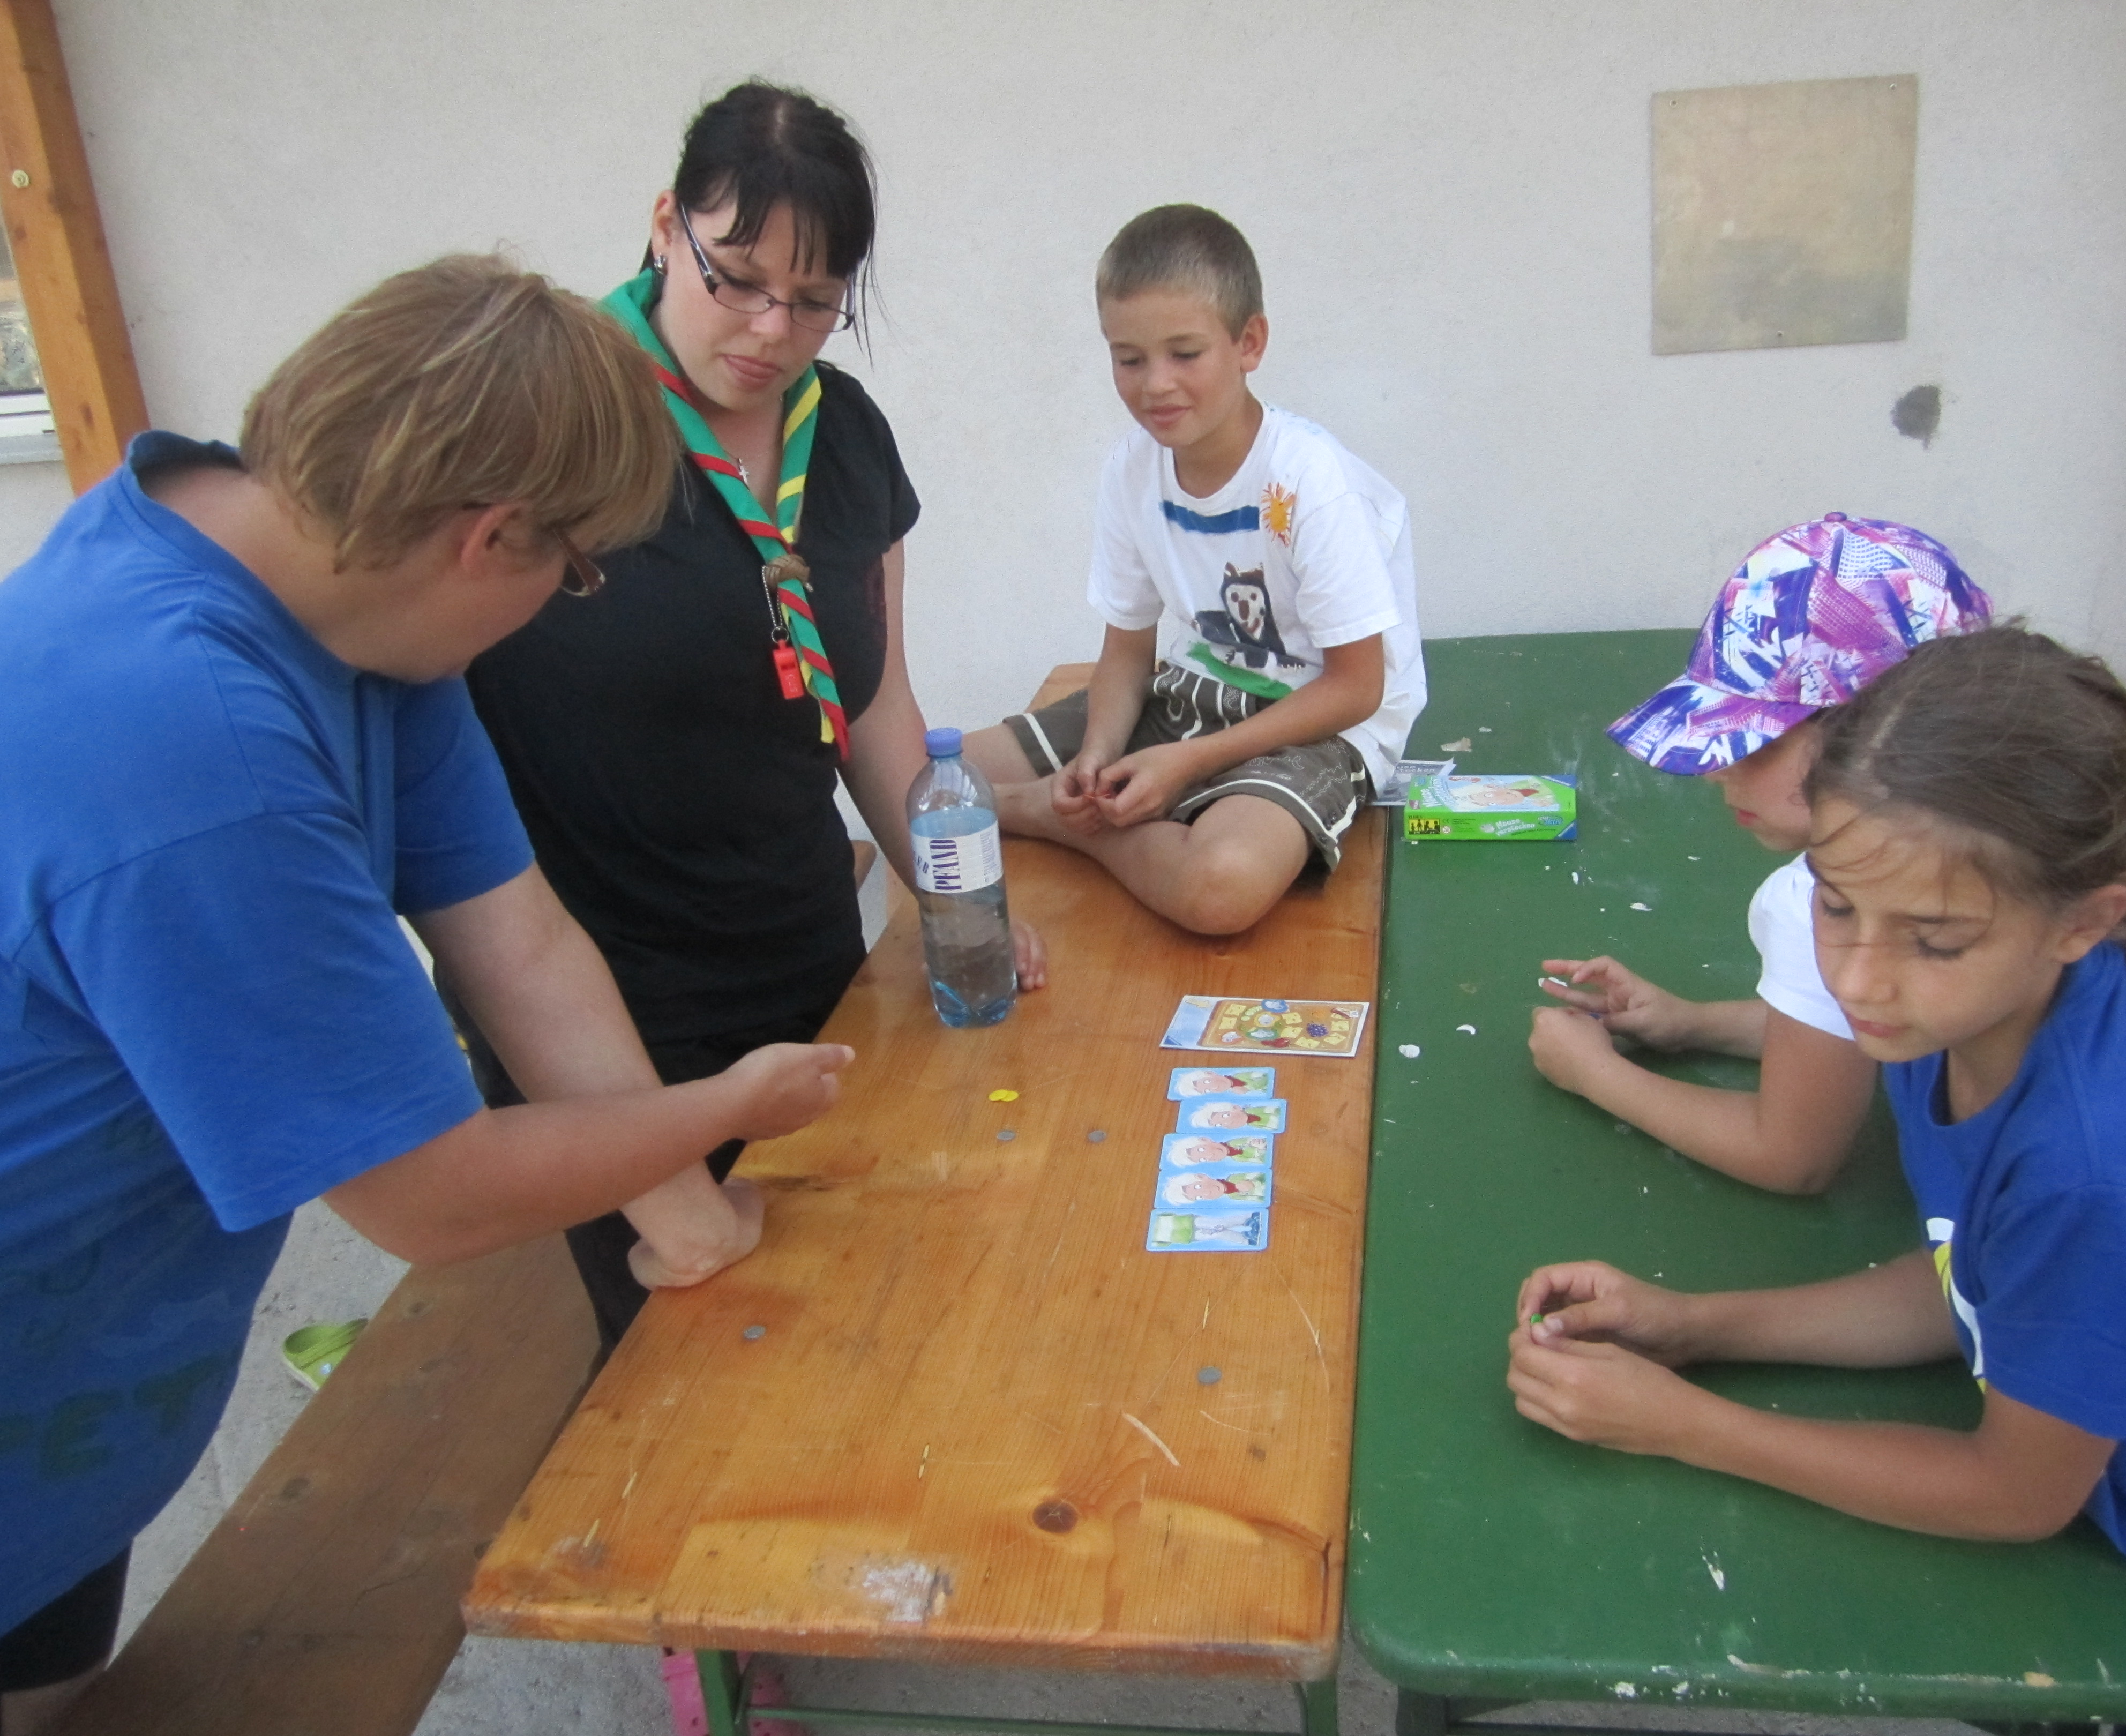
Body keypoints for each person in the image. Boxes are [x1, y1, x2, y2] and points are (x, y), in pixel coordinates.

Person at [0, 256, 852, 1736]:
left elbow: (521, 945)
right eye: (571, 569)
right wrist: (726, 1105)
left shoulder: (333, 583)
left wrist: (689, 1219)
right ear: (489, 536)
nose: (560, 602)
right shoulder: (195, 745)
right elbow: (430, 1197)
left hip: (80, 1408)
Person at [1505, 627, 2126, 1736]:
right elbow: (1975, 1276)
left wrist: (1686, 1424)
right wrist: (1695, 1325)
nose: (1860, 979)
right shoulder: (1972, 1017)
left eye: (1932, 940)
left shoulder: (2097, 1168)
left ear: (2083, 922)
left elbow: (2016, 1495)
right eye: (1837, 905)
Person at [455, 82, 1043, 1358]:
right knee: (696, 1371)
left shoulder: (844, 435)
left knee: (874, 1332)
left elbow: (872, 696)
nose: (774, 331)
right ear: (666, 225)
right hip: (609, 1014)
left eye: (817, 300)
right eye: (739, 280)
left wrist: (957, 906)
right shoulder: (553, 426)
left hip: (807, 963)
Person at [962, 204, 1425, 937]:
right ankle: (1079, 805)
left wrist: (1185, 764)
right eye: (1129, 359)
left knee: (1221, 889)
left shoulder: (1312, 480)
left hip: (1319, 725)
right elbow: (1126, 652)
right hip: (1194, 691)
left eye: (1185, 353)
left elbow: (1357, 687)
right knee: (940, 780)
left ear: (1249, 343)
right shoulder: (1131, 468)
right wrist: (1097, 757)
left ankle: (1056, 820)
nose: (1156, 385)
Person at [1526, 516, 1990, 1192]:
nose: (1717, 772)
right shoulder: (1997, 848)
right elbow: (1840, 1024)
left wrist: (1596, 1074)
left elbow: (1793, 1155)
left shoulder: (1835, 900)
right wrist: (1691, 1025)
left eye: (1757, 740)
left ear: (1876, 736)